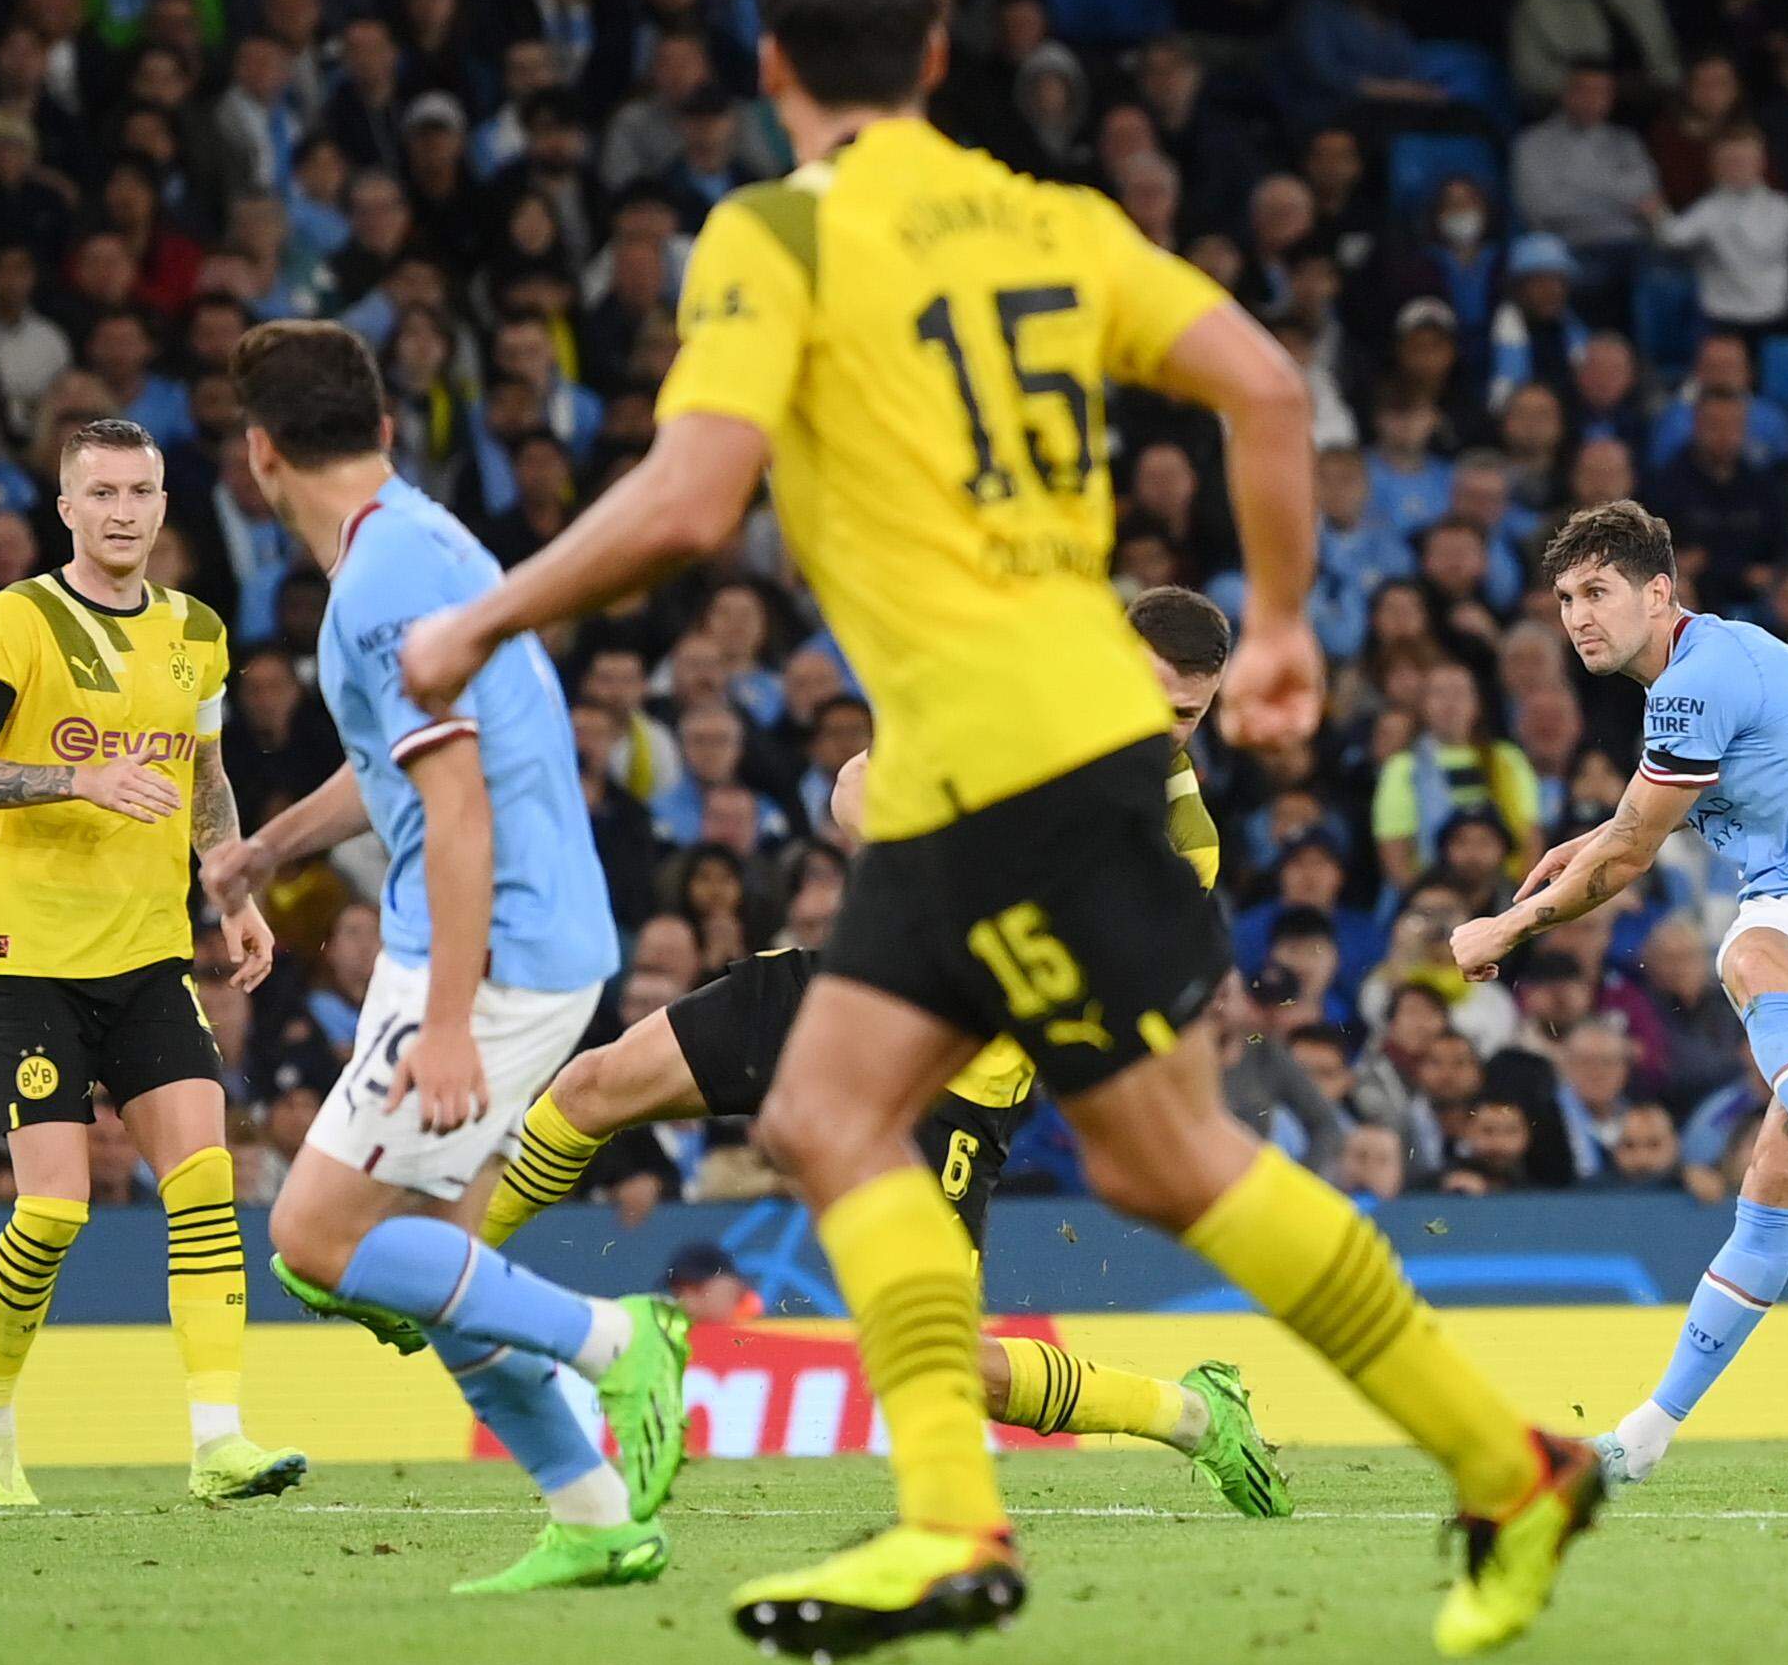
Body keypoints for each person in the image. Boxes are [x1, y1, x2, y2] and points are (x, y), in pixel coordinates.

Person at [395, 0, 1596, 1662]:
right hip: (1023, 754)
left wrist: (473, 625)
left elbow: (686, 502)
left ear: (774, 67)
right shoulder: (1053, 221)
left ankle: (1499, 1464)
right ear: (942, 58)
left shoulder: (774, 231)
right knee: (834, 1117)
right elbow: (1267, 389)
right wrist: (1276, 628)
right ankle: (969, 1519)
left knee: (1161, 1160)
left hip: (1004, 763)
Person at [477, 590, 1292, 1519]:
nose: (1166, 729)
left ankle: (1190, 1413)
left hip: (955, 1079)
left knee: (953, 1364)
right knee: (595, 1084)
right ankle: (443, 1270)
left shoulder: (1182, 842)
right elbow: (855, 786)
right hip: (858, 991)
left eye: (1188, 713)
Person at [214, 319, 687, 1598]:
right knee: (446, 1272)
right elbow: (397, 773)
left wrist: (448, 1024)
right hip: (526, 936)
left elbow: (460, 807)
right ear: (378, 429)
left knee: (315, 1239)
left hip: (490, 951)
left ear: (258, 455)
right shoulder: (416, 540)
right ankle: (596, 1515)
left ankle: (615, 1336)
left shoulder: (379, 589)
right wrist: (266, 850)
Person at [1452, 501, 1788, 1493]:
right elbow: (1645, 818)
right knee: (1766, 1184)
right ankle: (1644, 1436)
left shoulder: (1695, 680)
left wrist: (1507, 928)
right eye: (1563, 599)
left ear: (1659, 593)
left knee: (1742, 956)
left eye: (1598, 592)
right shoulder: (1708, 669)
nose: (1578, 617)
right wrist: (1590, 841)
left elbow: (1636, 848)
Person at [0, 415, 307, 1510]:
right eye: (102, 495)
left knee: (204, 1183)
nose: (125, 512)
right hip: (30, 960)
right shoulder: (14, 623)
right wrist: (79, 780)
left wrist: (229, 891)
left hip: (148, 958)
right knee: (53, 1213)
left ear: (162, 504)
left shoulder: (196, 630)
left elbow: (204, 770)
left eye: (141, 492)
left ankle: (218, 1442)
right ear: (65, 510)